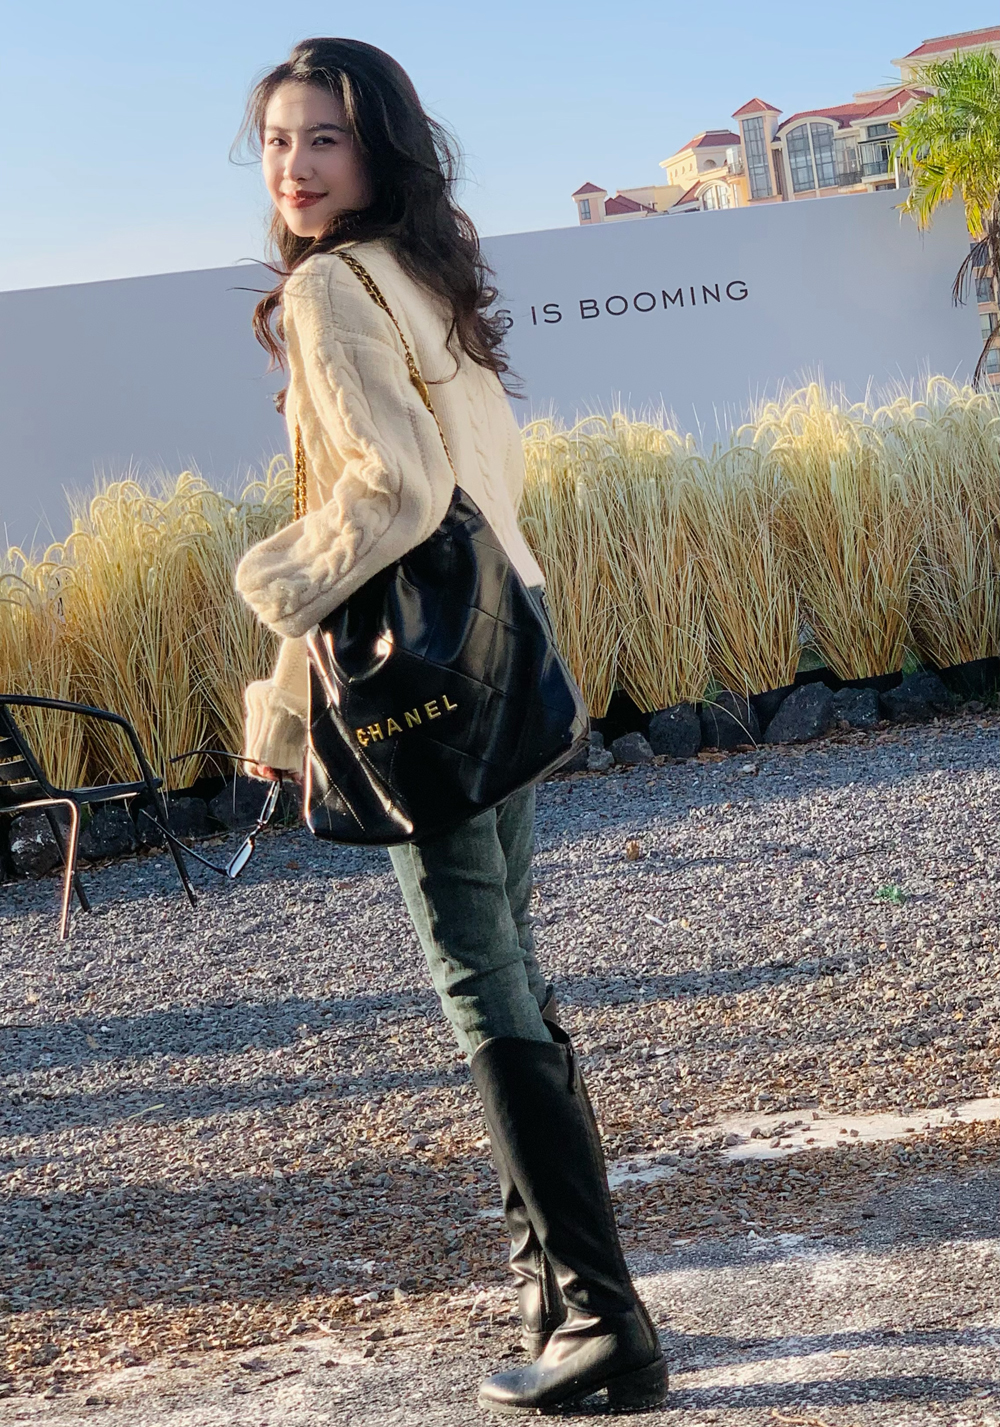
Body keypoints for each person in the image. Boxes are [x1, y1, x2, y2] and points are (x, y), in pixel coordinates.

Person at [232, 38, 667, 1414]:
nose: (295, 167)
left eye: (325, 139)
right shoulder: (424, 273)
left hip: (426, 685)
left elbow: (392, 496)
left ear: (379, 149)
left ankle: (601, 1316)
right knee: (511, 966)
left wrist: (267, 588)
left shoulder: (329, 289)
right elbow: (458, 490)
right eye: (278, 141)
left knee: (480, 975)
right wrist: (285, 707)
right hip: (501, 648)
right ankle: (559, 1293)